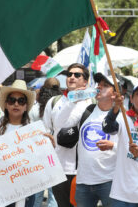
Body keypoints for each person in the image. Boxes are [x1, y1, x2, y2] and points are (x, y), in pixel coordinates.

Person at [0, 80, 54, 207]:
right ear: (6, 104)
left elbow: (46, 162)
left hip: (25, 191)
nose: (16, 104)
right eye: (12, 100)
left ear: (26, 106)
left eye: (21, 101)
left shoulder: (34, 130)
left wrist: (51, 147)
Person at [57, 73, 119, 207]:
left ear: (114, 94)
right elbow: (59, 125)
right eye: (99, 85)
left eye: (105, 86)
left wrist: (113, 145)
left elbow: (130, 147)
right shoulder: (87, 111)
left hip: (110, 181)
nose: (99, 87)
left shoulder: (121, 116)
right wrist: (71, 102)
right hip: (83, 182)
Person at [43, 63, 90, 207]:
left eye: (77, 75)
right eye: (69, 74)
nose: (72, 77)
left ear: (86, 81)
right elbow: (48, 129)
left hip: (84, 169)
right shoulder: (54, 102)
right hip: (59, 168)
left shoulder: (93, 103)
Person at [30, 77, 61, 207]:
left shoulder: (34, 109)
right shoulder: (60, 106)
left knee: (37, 192)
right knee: (54, 193)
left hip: (38, 153)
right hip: (56, 153)